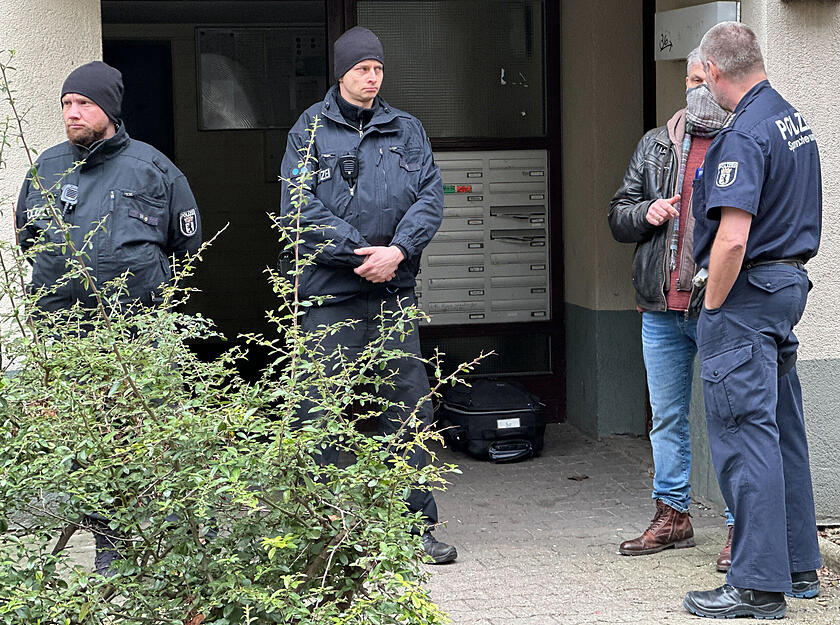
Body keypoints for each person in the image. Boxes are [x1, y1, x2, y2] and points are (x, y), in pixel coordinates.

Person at [15, 61, 202, 574]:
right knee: (83, 440)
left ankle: (144, 548)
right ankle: (100, 539)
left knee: (134, 435)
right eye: (66, 104)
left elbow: (186, 247)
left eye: (84, 104)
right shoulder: (46, 168)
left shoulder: (154, 168)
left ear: (110, 110)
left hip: (134, 332)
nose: (73, 113)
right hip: (66, 333)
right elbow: (28, 243)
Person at [279, 27, 455, 564]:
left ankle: (413, 528)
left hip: (392, 295)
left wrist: (397, 252)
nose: (372, 78)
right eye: (362, 69)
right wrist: (365, 255)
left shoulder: (407, 129)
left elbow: (430, 197)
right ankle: (324, 531)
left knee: (407, 412)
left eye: (378, 69)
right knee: (320, 412)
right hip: (330, 296)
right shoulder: (309, 129)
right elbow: (298, 208)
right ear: (341, 72)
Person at [682, 22, 822, 619]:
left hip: (744, 297)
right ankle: (796, 566)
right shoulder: (792, 120)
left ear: (714, 71)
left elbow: (732, 240)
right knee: (781, 431)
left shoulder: (742, 134)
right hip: (786, 287)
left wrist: (712, 305)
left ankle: (757, 587)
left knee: (745, 438)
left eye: (699, 76)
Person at [609, 49, 734, 568]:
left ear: (722, 79)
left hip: (719, 306)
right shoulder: (658, 143)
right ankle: (673, 516)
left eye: (703, 77)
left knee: (732, 417)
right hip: (661, 307)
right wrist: (646, 212)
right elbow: (618, 216)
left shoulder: (739, 138)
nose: (694, 86)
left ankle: (740, 526)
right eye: (689, 77)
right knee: (667, 418)